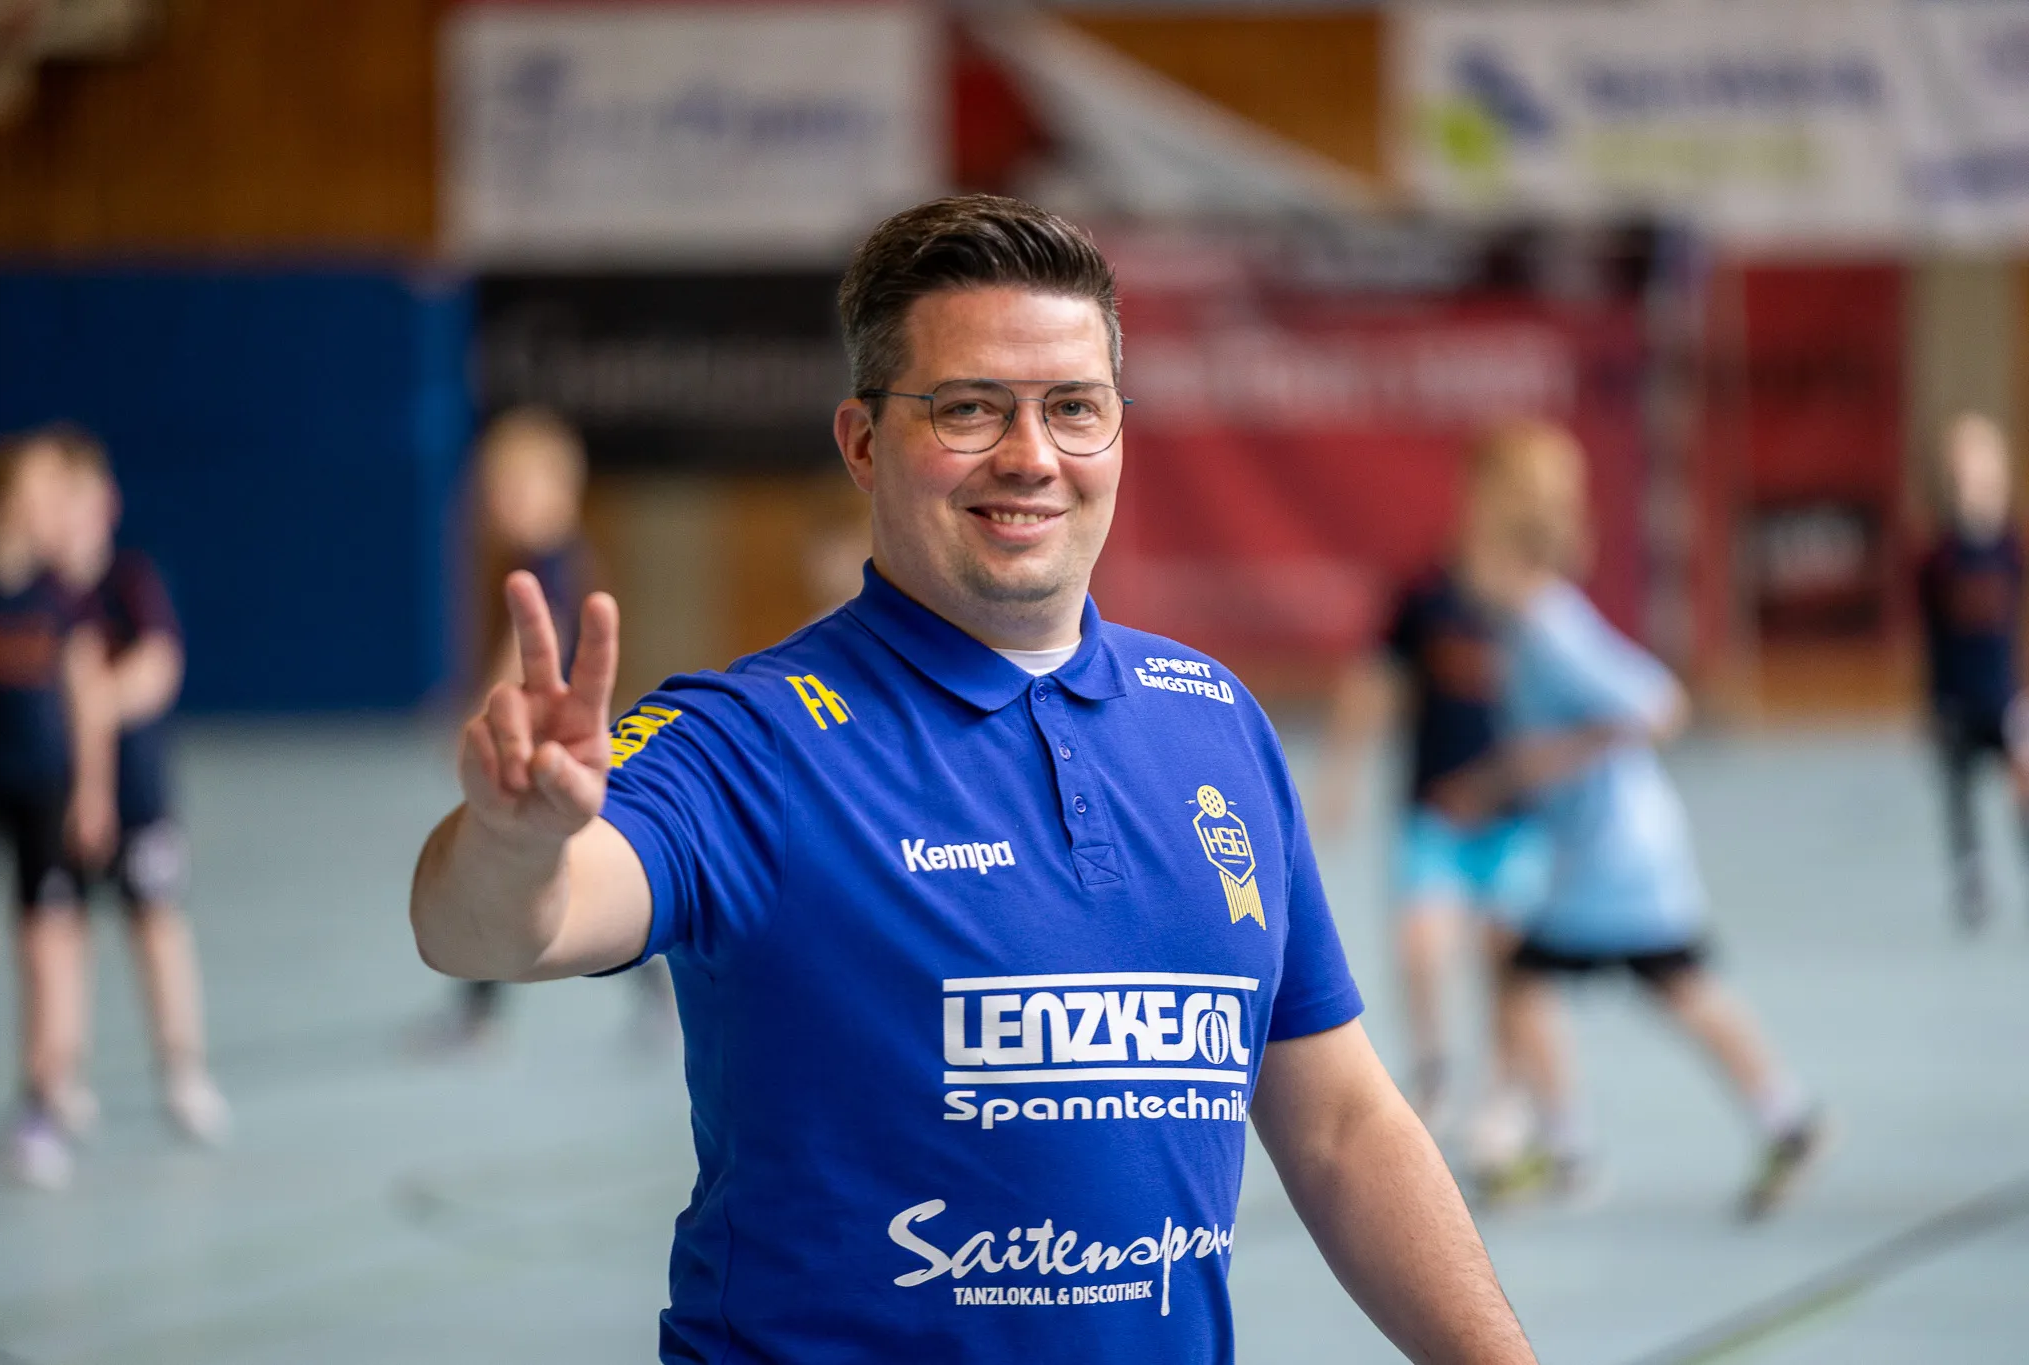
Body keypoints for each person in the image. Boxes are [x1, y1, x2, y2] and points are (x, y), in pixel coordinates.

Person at [410, 195, 1535, 1363]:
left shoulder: (1215, 728)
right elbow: (491, 931)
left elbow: (1343, 1127)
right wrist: (513, 839)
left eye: (1073, 409)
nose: (1031, 456)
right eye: (968, 408)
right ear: (859, 441)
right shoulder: (751, 740)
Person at [1464, 420, 1826, 1219]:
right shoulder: (1533, 618)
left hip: (1620, 852)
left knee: (1595, 977)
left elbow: (1660, 704)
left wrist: (1539, 762)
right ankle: (1771, 1117)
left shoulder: (1550, 626)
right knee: (1590, 978)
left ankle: (1578, 1144)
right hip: (1596, 847)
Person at [417, 406, 671, 1053]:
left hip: (551, 750)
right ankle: (486, 1001)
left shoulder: (550, 565)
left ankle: (490, 1006)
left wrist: (483, 709)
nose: (499, 506)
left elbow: (539, 647)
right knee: (521, 865)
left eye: (514, 490)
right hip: (555, 747)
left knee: (527, 862)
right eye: (494, 493)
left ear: (560, 491)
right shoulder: (548, 557)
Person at [1313, 544, 1548, 1135]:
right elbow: (1373, 679)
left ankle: (1505, 1092)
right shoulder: (1429, 594)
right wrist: (1343, 774)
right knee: (1422, 944)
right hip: (1434, 812)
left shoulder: (1538, 603)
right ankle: (1434, 1073)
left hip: (1515, 818)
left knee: (1507, 957)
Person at [41, 425, 230, 1145]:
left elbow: (157, 667)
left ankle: (183, 1068)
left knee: (155, 922)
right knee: (63, 933)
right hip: (55, 800)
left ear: (106, 501)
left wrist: (88, 703)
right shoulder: (34, 594)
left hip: (141, 795)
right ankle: (61, 1078)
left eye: (75, 497)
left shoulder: (130, 580)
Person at [0, 431, 115, 1190]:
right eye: (38, 491)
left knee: (47, 945)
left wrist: (92, 792)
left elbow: (85, 700)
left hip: (42, 791)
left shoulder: (60, 599)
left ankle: (42, 1101)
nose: (51, 507)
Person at [1915, 412, 2024, 932]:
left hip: (2005, 694)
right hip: (1959, 695)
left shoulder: (2011, 549)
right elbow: (1931, 635)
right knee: (1960, 795)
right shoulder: (1940, 556)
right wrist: (1935, 700)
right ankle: (1971, 875)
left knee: (2022, 786)